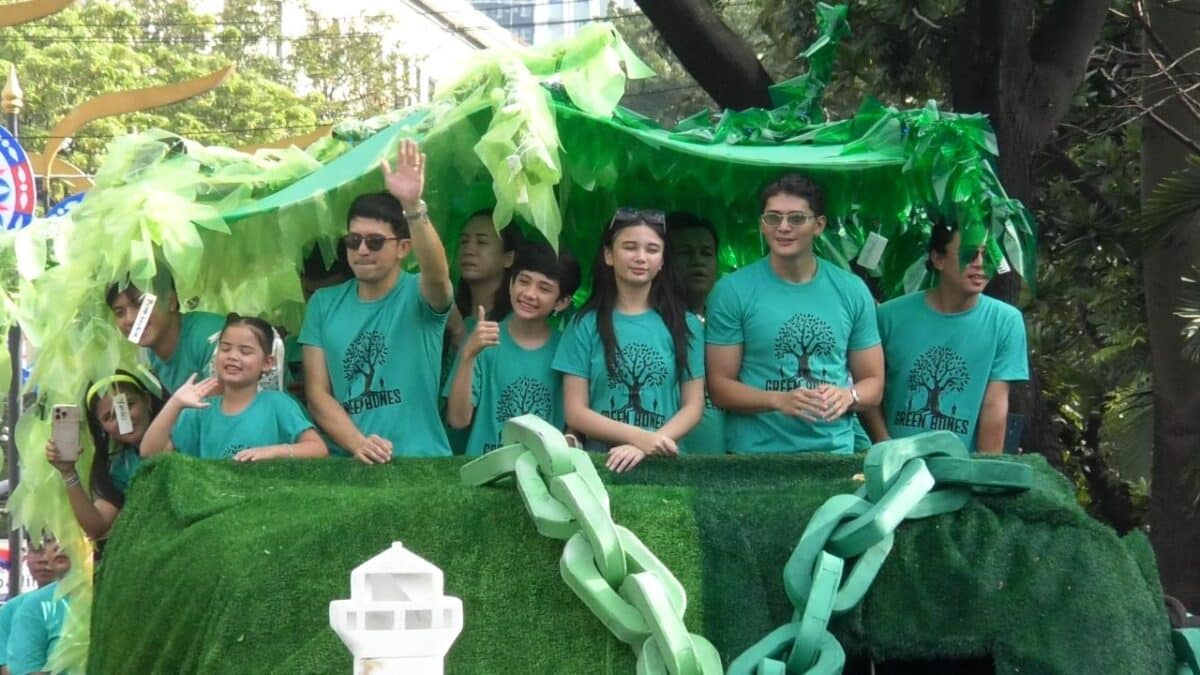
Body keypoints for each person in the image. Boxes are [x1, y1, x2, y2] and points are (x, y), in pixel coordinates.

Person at [299, 140, 454, 462]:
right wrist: (358, 443)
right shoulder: (323, 304)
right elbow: (316, 394)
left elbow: (438, 276)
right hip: (353, 466)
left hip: (422, 460)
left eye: (375, 241)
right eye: (353, 241)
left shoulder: (418, 293)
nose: (362, 250)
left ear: (403, 248)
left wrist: (413, 207)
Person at [706, 174, 884, 454]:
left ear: (819, 225)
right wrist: (779, 400)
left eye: (797, 218)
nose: (784, 227)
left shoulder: (851, 290)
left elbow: (873, 382)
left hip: (834, 451)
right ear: (762, 225)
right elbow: (719, 387)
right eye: (773, 218)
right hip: (754, 457)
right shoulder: (732, 291)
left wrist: (849, 396)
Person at [552, 208, 705, 472]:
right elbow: (575, 412)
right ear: (609, 255)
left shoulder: (686, 324)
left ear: (663, 260)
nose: (641, 258)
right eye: (630, 247)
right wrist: (641, 438)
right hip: (600, 465)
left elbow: (693, 406)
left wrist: (648, 445)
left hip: (666, 463)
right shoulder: (584, 325)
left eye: (652, 249)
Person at [862, 220, 1029, 453]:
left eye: (989, 255)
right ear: (938, 259)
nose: (980, 264)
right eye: (969, 255)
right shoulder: (889, 317)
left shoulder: (1005, 321)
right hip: (894, 461)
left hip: (960, 465)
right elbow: (866, 384)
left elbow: (995, 403)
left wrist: (984, 474)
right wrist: (884, 445)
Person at [445, 242, 580, 456]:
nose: (529, 293)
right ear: (510, 285)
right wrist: (468, 355)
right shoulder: (483, 338)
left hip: (542, 472)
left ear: (562, 302)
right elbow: (458, 420)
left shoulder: (567, 350)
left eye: (544, 288)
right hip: (487, 471)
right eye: (523, 281)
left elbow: (575, 418)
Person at [140, 314, 328, 461]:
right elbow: (150, 453)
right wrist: (175, 403)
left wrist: (273, 452)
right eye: (225, 348)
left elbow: (318, 448)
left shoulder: (277, 404)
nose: (233, 356)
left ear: (267, 362)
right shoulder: (201, 410)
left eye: (245, 351)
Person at [45, 370, 164, 539]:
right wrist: (68, 472)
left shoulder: (183, 432)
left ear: (147, 400)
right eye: (109, 417)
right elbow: (96, 527)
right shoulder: (122, 466)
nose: (124, 420)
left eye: (128, 405)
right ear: (101, 427)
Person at [666, 212, 726, 454]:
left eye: (706, 253)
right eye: (684, 253)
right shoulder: (649, 324)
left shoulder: (732, 326)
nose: (697, 261)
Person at [106, 282, 225, 395]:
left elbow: (221, 412)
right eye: (119, 313)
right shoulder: (152, 350)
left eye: (140, 303)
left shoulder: (209, 338)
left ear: (170, 301)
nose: (130, 319)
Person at [445, 210, 522, 347]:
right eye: (463, 241)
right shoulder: (446, 314)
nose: (468, 250)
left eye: (481, 242)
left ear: (508, 258)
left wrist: (458, 331)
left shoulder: (516, 324)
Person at [4, 534, 70, 675]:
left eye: (68, 535)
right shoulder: (22, 608)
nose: (43, 559)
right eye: (48, 541)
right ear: (25, 555)